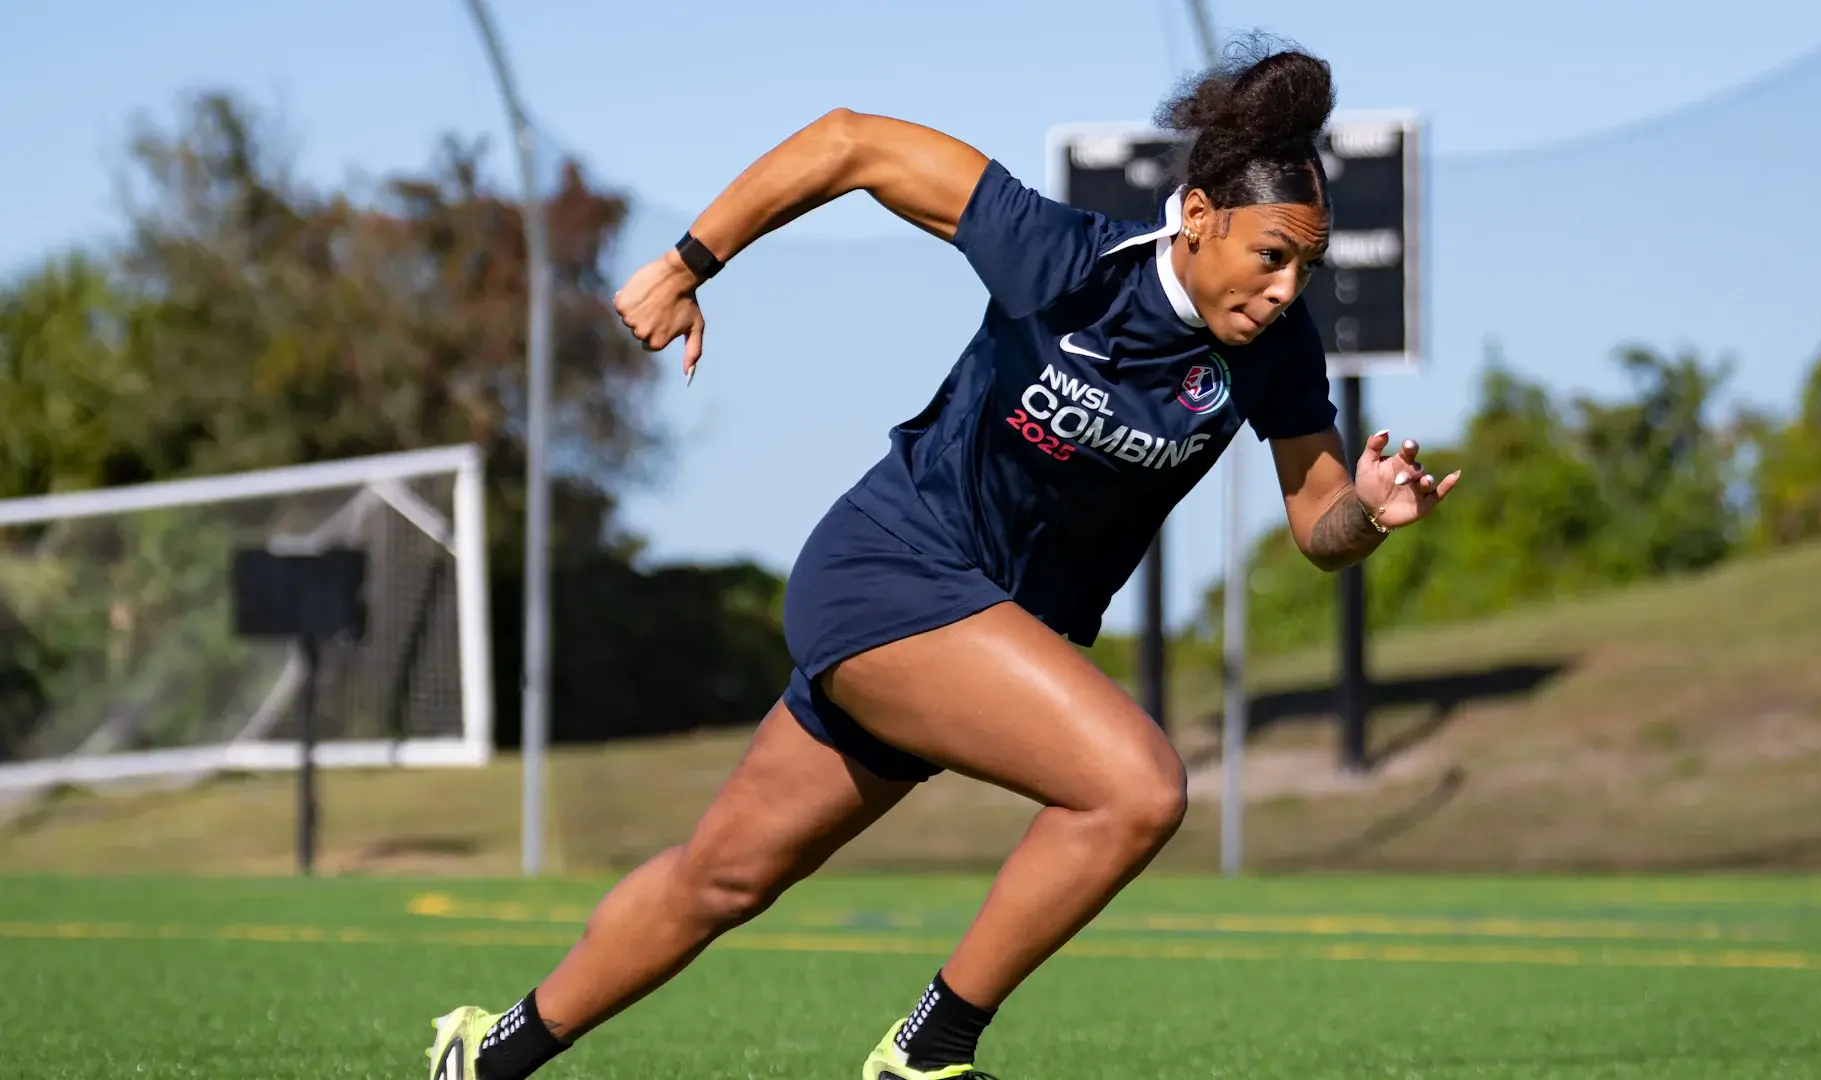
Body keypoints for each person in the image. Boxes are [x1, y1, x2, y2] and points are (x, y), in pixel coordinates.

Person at [427, 34, 1459, 1080]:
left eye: (1308, 266)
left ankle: (485, 1055)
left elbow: (1317, 519)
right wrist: (689, 263)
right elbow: (851, 143)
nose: (1288, 288)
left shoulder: (1279, 353)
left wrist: (1368, 513)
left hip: (976, 635)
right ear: (1197, 220)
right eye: (1271, 255)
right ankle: (929, 1052)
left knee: (723, 880)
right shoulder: (1061, 256)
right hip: (891, 570)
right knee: (1137, 788)